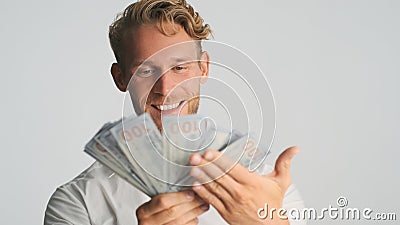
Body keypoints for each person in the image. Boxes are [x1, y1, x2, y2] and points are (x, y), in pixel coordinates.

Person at [44, 0, 305, 224]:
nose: (165, 89)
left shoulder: (266, 188)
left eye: (180, 68)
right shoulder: (78, 202)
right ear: (120, 78)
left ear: (203, 69)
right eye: (145, 71)